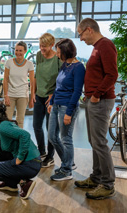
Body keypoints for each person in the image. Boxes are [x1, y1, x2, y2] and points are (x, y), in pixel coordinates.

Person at [74, 18, 118, 200]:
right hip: (94, 100)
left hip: (101, 101)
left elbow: (112, 74)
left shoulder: (106, 45)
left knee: (99, 142)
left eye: (81, 34)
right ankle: (96, 177)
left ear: (89, 30)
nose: (81, 39)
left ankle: (107, 184)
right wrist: (89, 94)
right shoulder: (97, 47)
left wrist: (97, 94)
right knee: (94, 141)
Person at [47, 39, 85, 181]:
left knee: (66, 139)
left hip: (67, 107)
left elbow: (77, 92)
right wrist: (51, 101)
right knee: (52, 136)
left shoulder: (79, 67)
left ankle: (67, 170)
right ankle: (68, 162)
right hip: (56, 105)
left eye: (58, 51)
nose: (57, 54)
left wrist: (69, 112)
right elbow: (58, 86)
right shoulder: (65, 65)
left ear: (66, 51)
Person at [31, 33, 62, 167]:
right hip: (39, 95)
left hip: (51, 98)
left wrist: (53, 95)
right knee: (36, 126)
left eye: (44, 47)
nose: (42, 49)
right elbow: (36, 76)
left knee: (51, 129)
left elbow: (62, 81)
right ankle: (42, 152)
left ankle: (50, 156)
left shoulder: (58, 59)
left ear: (51, 45)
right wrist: (32, 93)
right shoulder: (39, 55)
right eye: (40, 46)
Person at [3, 41, 34, 128]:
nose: (18, 53)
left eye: (20, 50)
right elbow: (5, 79)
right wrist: (6, 95)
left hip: (23, 95)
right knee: (6, 120)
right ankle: (7, 141)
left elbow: (32, 82)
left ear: (25, 51)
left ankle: (18, 141)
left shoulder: (29, 64)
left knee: (20, 121)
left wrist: (32, 97)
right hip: (10, 94)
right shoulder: (9, 62)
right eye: (16, 50)